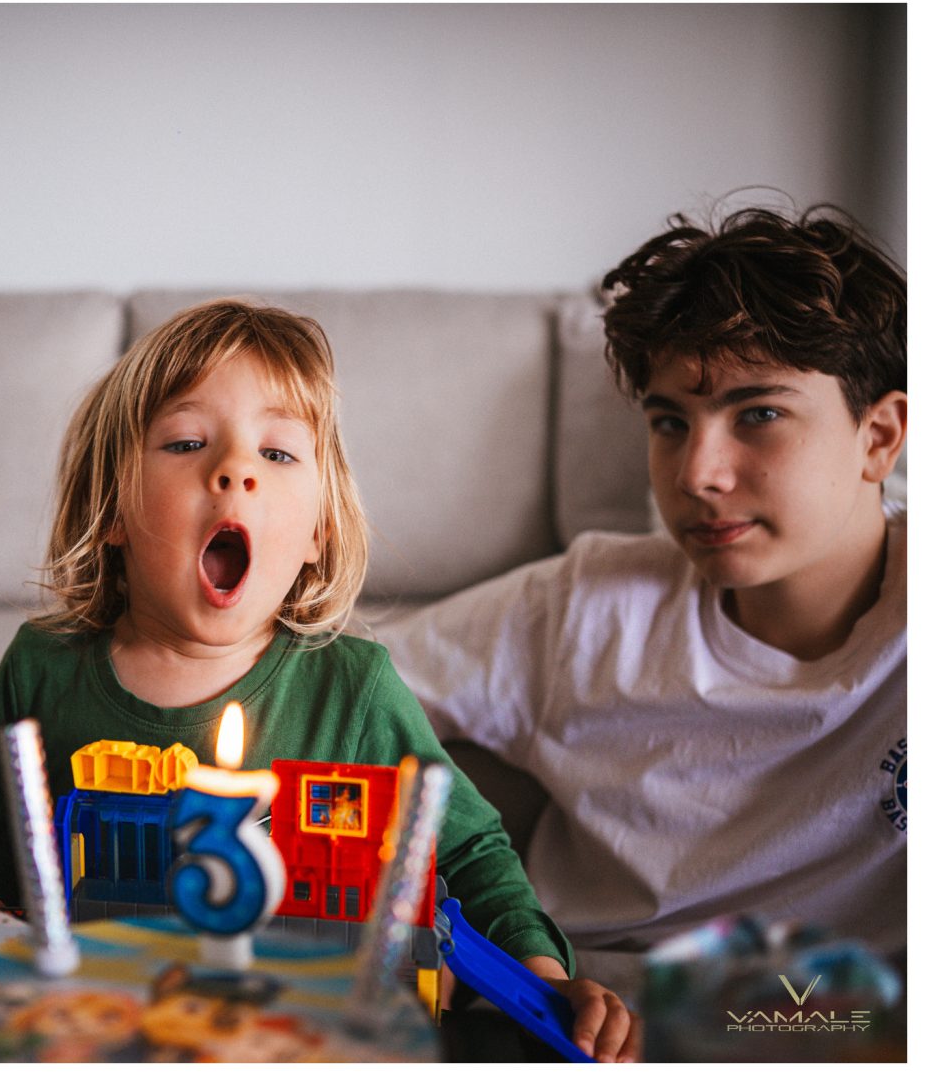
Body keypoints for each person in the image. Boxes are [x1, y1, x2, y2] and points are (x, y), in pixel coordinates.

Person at [0, 299, 639, 1061]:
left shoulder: (355, 688)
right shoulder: (40, 669)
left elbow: (468, 852)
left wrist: (542, 977)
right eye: (186, 441)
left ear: (317, 533)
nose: (233, 469)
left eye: (276, 454)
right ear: (112, 510)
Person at [377, 206, 907, 964]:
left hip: (845, 1032)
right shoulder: (585, 608)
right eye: (669, 423)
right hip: (584, 1006)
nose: (697, 476)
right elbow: (344, 687)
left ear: (879, 437)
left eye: (758, 414)